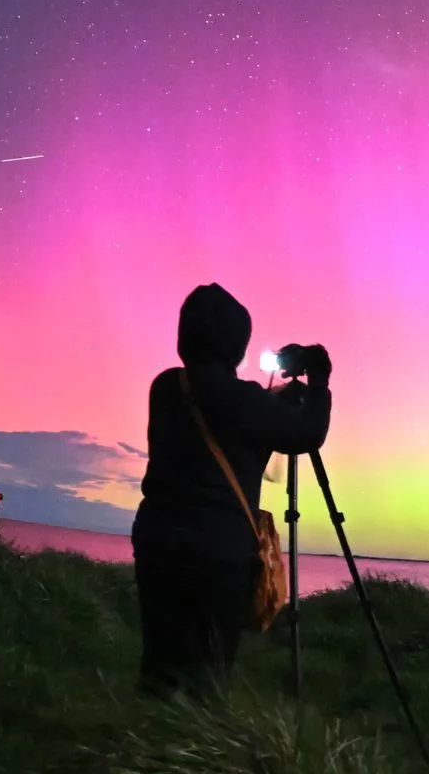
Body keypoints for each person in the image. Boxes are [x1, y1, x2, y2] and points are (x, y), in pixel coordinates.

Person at [131, 282, 332, 702]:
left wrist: (274, 398)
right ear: (236, 346)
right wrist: (319, 381)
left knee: (160, 664)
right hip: (216, 555)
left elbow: (223, 404)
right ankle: (198, 752)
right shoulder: (245, 402)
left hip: (158, 541)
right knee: (209, 671)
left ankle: (146, 744)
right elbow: (306, 434)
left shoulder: (166, 387)